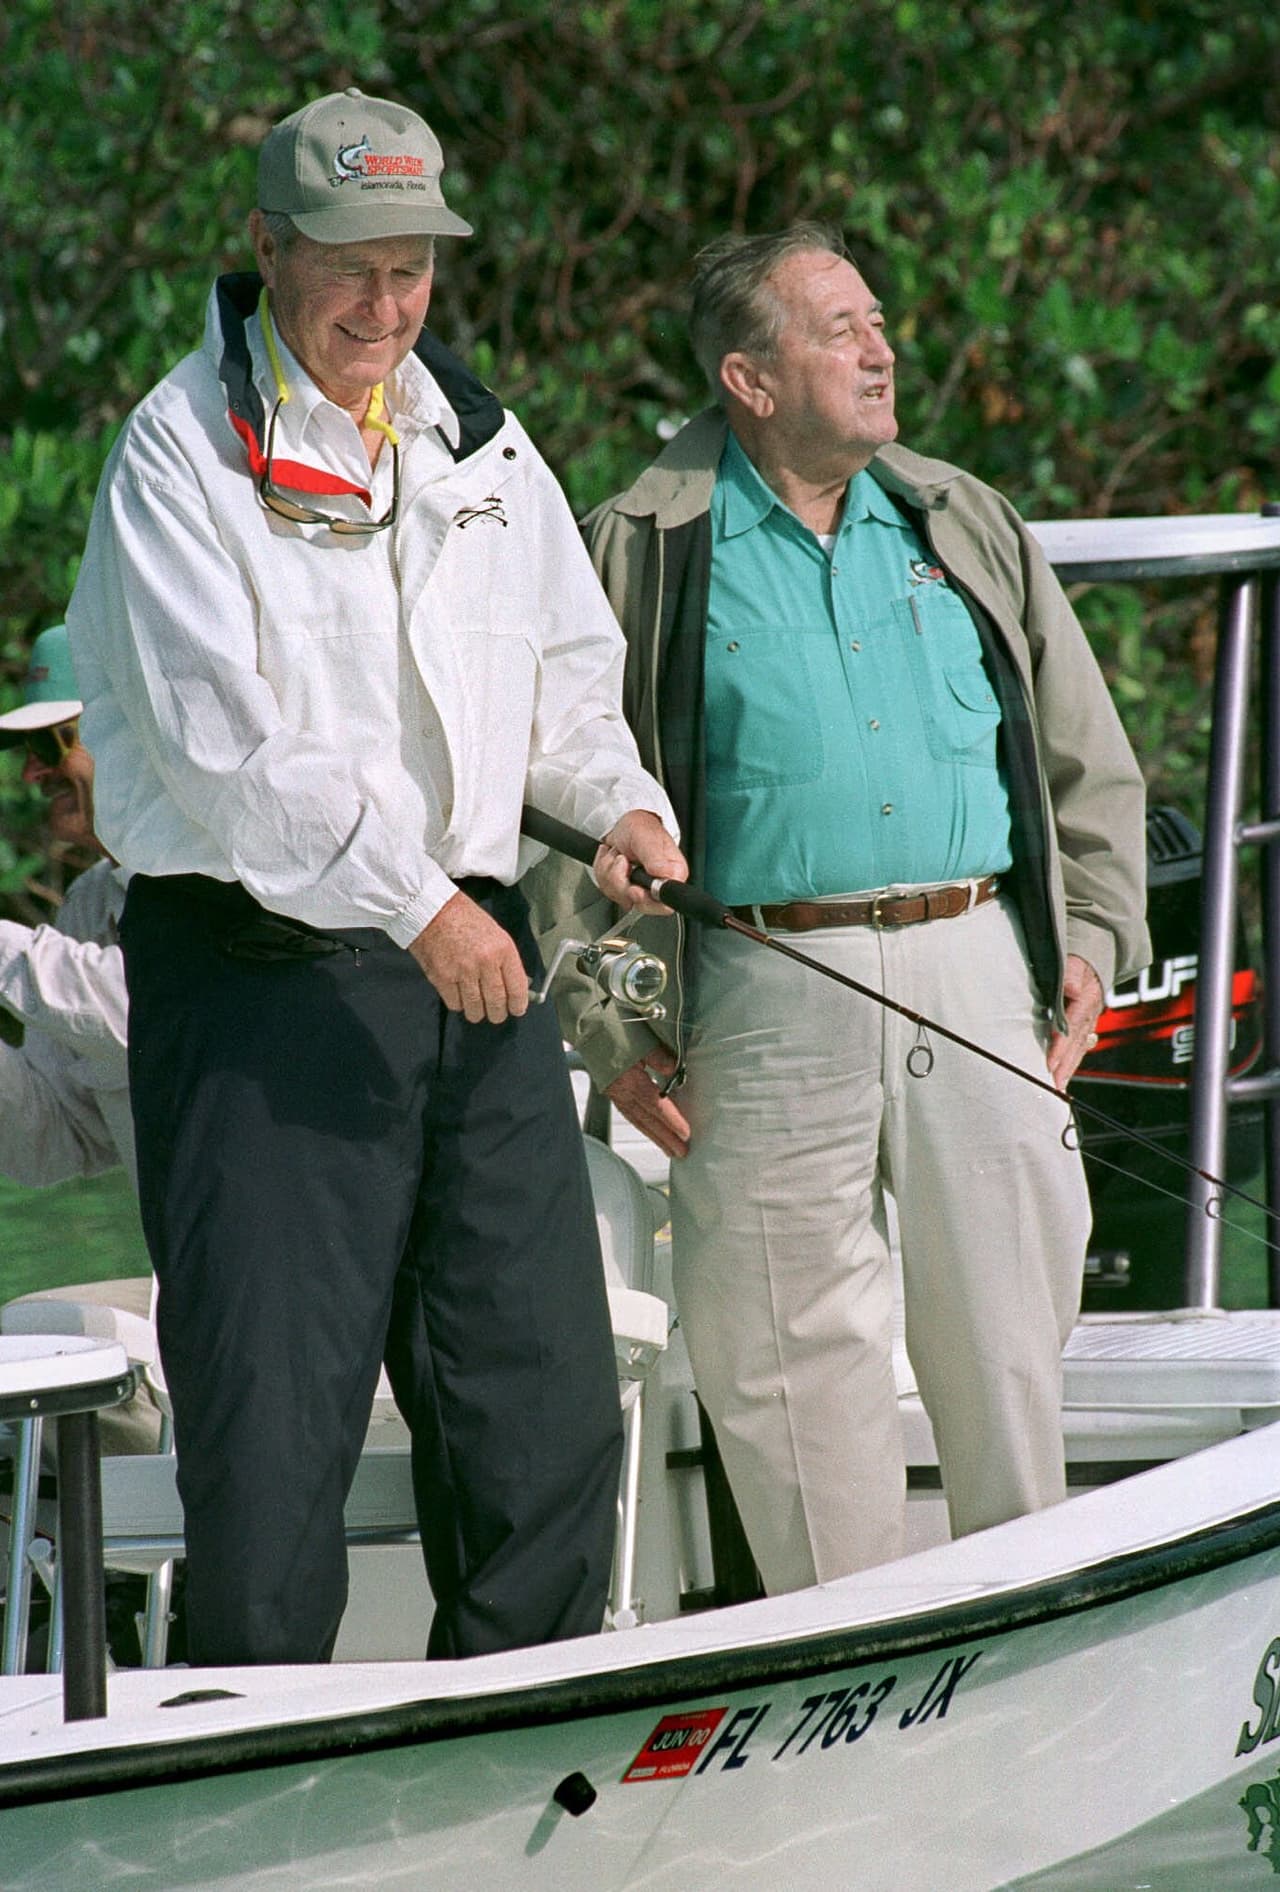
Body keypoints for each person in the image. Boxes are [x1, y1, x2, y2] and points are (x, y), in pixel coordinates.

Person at [66, 87, 684, 1667]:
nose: (385, 306)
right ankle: (245, 1797)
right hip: (264, 984)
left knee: (542, 1422)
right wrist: (420, 908)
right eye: (352, 265)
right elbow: (232, 760)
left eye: (413, 270)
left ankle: (508, 1766)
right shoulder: (177, 453)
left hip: (468, 974)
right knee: (272, 1456)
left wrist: (613, 804)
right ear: (270, 248)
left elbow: (562, 666)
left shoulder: (482, 434)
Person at [530, 225, 1151, 1596]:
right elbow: (563, 805)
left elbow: (1086, 759)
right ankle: (843, 1680)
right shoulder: (635, 543)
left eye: (877, 321)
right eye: (842, 330)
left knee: (1008, 1350)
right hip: (756, 988)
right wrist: (616, 1030)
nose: (882, 351)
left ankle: (1037, 1643)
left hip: (982, 966)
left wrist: (1094, 949)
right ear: (750, 380)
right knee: (790, 1375)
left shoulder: (961, 517)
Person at [0, 622, 163, 1456]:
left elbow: (155, 1020)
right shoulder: (92, 906)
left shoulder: (217, 879)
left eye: (52, 741)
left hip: (283, 1290)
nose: (31, 773)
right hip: (185, 1294)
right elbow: (55, 1138)